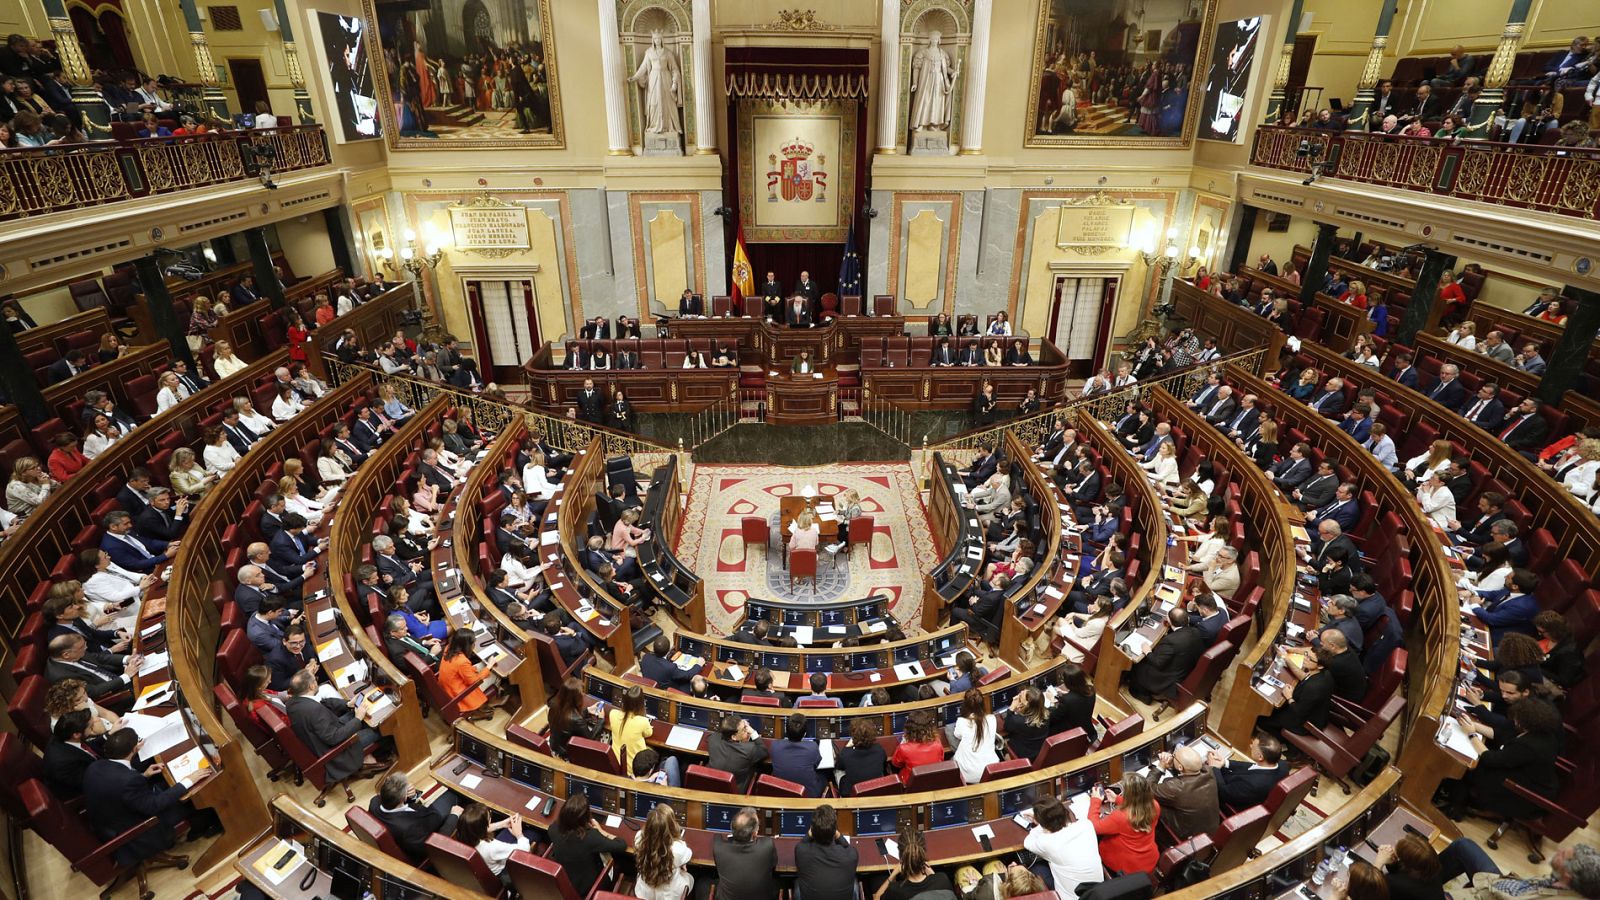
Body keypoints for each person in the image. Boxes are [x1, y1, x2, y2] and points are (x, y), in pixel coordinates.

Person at [81, 728, 199, 874]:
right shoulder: (128, 780)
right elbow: (153, 806)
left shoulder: (95, 766)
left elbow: (117, 790)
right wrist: (188, 781)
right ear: (135, 748)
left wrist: (143, 775)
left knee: (164, 784)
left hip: (108, 823)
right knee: (193, 799)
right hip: (137, 834)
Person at [369, 772, 462, 865]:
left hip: (422, 818)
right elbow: (432, 846)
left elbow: (395, 802)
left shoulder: (375, 802)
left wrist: (413, 796)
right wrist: (454, 816)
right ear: (404, 797)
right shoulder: (409, 830)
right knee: (456, 792)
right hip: (430, 824)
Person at [547, 793, 628, 896]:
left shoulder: (554, 829)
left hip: (565, 881)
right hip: (588, 888)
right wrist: (600, 830)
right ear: (586, 817)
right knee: (619, 861)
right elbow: (621, 845)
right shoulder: (590, 837)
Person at [1020, 794, 1101, 895]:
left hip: (1070, 897)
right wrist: (1042, 820)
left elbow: (1027, 842)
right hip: (1097, 894)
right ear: (1065, 812)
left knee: (1034, 867)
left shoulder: (1047, 843)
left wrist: (1039, 823)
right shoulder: (1086, 825)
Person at [1128, 608, 1207, 704]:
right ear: (1188, 620)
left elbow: (1158, 663)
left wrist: (1148, 651)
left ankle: (1143, 694)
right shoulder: (1196, 631)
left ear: (1169, 621)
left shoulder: (1171, 641)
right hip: (1186, 669)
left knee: (1138, 665)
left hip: (1169, 678)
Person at [1090, 773, 1160, 876]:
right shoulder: (1154, 805)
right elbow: (1139, 805)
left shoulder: (1121, 817)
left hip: (1127, 867)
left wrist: (1095, 801)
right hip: (1148, 860)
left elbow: (1093, 827)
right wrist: (1118, 799)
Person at [712, 807, 781, 900]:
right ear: (755, 833)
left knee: (703, 882)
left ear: (731, 829)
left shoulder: (718, 846)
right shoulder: (767, 845)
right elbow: (773, 864)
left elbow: (717, 837)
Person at [794, 805, 859, 900]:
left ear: (812, 830)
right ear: (834, 831)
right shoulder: (851, 855)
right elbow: (846, 846)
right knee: (855, 884)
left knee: (797, 884)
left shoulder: (801, 851)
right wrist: (839, 835)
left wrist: (809, 834)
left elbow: (803, 843)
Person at [1208, 734, 1290, 808]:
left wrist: (1214, 768)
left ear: (1260, 757)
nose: (1250, 746)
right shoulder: (1283, 765)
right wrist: (1225, 762)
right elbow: (1252, 766)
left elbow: (1225, 793)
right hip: (1252, 792)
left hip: (1233, 802)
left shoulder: (1251, 784)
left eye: (1253, 746)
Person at [633, 802, 694, 900]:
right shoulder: (678, 848)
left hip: (645, 893)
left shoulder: (639, 838)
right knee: (690, 878)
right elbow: (688, 854)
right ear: (671, 826)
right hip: (668, 896)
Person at [875, 828, 954, 900]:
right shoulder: (943, 879)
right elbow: (937, 886)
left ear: (901, 857)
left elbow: (876, 898)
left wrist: (893, 874)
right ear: (923, 853)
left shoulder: (895, 891)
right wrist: (927, 868)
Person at [1372, 833, 1446, 900]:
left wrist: (1378, 863)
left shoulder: (1394, 883)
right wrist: (1392, 862)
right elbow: (1400, 871)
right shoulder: (1429, 865)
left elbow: (1371, 891)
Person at [437, 628, 492, 718]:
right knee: (495, 676)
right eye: (473, 643)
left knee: (481, 665)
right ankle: (489, 703)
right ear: (467, 645)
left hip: (449, 687)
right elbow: (474, 682)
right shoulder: (462, 661)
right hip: (460, 694)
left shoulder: (448, 648)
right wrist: (489, 666)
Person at [708, 713, 768, 791]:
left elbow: (718, 734)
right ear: (734, 737)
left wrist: (740, 726)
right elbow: (763, 751)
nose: (747, 730)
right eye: (744, 729)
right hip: (735, 790)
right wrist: (753, 732)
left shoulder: (713, 739)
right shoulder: (748, 749)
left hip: (713, 785)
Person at [952, 688, 999, 784]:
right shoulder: (992, 719)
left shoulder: (962, 721)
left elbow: (957, 735)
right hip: (990, 770)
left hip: (967, 774)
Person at [890, 709, 945, 784]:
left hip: (910, 783)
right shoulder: (937, 743)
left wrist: (903, 743)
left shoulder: (904, 748)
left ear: (909, 729)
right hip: (933, 780)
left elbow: (896, 763)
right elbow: (941, 759)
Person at [837, 717, 889, 796]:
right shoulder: (879, 749)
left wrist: (847, 747)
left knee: (837, 771)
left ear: (853, 735)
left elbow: (839, 766)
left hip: (853, 794)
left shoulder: (846, 754)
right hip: (876, 791)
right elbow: (884, 763)